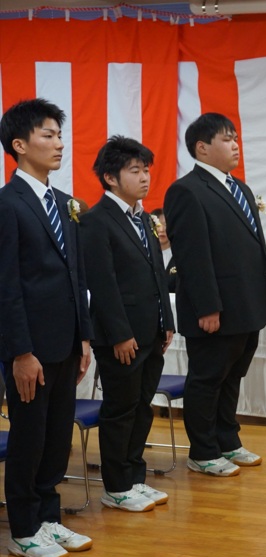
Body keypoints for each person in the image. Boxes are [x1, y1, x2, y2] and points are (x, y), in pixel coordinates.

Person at [0, 98, 95, 557]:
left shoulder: (64, 203)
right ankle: (23, 528)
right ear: (19, 145)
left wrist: (84, 338)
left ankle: (48, 516)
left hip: (66, 343)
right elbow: (6, 285)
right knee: (29, 437)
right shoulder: (7, 204)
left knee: (57, 436)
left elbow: (77, 276)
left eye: (60, 135)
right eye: (48, 135)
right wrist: (20, 352)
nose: (59, 144)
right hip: (31, 349)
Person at [163, 113, 266, 477]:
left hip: (246, 305)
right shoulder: (186, 190)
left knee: (232, 377)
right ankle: (203, 451)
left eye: (236, 138)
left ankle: (227, 440)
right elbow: (192, 256)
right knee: (208, 378)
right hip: (215, 309)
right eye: (227, 139)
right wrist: (207, 307)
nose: (235, 145)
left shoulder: (239, 188)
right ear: (202, 148)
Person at [80, 135, 175, 512]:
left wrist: (167, 321)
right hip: (120, 336)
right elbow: (102, 285)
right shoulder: (95, 221)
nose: (145, 177)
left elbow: (158, 274)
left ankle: (135, 476)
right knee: (120, 410)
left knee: (142, 407)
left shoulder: (146, 219)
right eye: (135, 170)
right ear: (111, 177)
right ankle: (116, 485)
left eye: (146, 169)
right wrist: (120, 334)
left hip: (151, 332)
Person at [150, 208, 178, 293]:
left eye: (165, 225)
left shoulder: (179, 255)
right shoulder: (146, 255)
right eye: (158, 225)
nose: (162, 229)